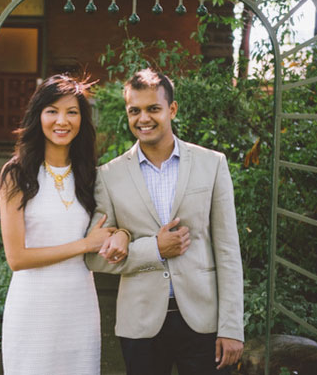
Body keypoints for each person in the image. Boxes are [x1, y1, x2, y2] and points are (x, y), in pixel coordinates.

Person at [85, 68, 244, 375]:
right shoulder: (109, 176)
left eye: (153, 109)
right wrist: (154, 249)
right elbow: (94, 256)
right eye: (135, 111)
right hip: (140, 323)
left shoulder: (212, 165)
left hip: (204, 321)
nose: (143, 118)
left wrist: (231, 326)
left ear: (172, 109)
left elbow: (227, 251)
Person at [0, 74, 120, 375]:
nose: (61, 121)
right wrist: (84, 245)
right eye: (52, 110)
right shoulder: (16, 175)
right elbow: (17, 258)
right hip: (32, 307)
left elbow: (112, 226)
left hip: (78, 306)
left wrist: (120, 235)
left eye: (72, 112)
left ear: (82, 120)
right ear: (38, 115)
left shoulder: (90, 174)